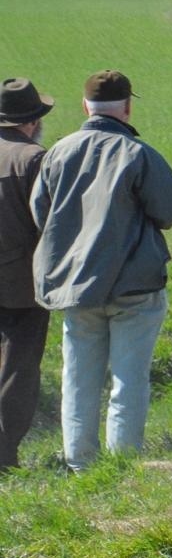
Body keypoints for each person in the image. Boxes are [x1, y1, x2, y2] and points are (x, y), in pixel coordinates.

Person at [31, 70, 172, 472]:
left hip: (76, 287)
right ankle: (121, 465)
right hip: (134, 287)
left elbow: (39, 214)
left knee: (78, 379)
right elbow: (170, 211)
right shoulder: (138, 154)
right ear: (128, 107)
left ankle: (80, 464)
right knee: (128, 379)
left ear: (85, 106)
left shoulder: (58, 153)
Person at [0, 78, 54, 471]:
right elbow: (52, 223)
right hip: (23, 281)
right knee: (18, 366)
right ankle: (4, 454)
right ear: (32, 121)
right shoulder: (35, 159)